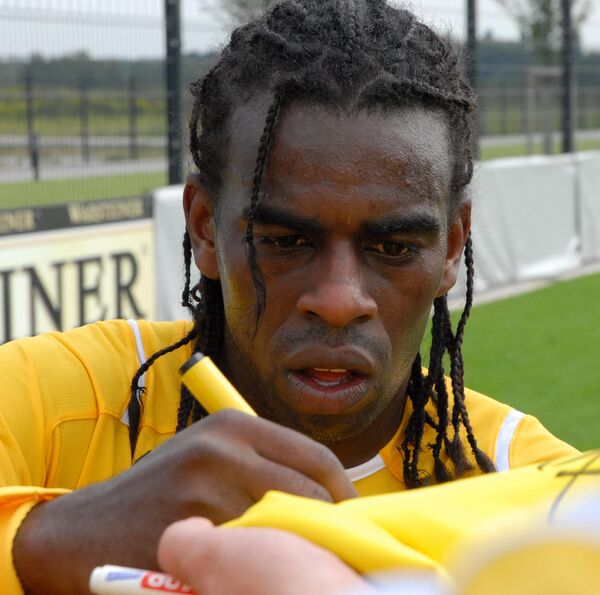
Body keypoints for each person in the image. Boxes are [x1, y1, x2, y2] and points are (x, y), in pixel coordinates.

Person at [1, 1, 577, 593]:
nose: (339, 301)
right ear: (204, 228)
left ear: (452, 248)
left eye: (393, 248)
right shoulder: (50, 402)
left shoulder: (533, 494)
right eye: (284, 241)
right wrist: (47, 544)